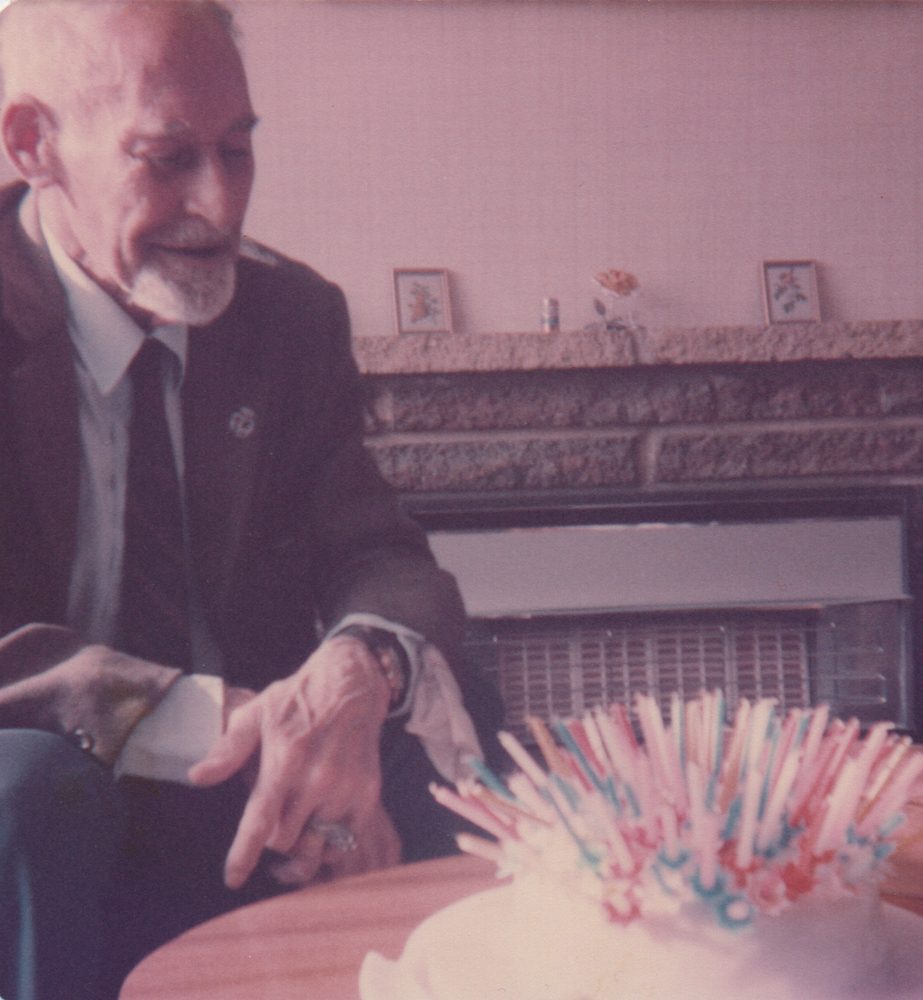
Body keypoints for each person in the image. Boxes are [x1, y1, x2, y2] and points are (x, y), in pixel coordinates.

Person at [0, 3, 500, 998]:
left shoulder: (291, 316)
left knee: (457, 729)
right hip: (64, 755)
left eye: (237, 152)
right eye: (167, 157)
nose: (219, 205)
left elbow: (379, 548)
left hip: (256, 782)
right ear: (33, 143)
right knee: (25, 793)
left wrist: (356, 673)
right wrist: (225, 716)